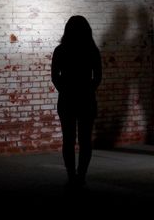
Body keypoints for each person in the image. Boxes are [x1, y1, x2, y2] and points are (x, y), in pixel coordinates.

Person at [51, 15, 102, 187]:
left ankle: (71, 175)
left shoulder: (60, 50)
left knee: (69, 139)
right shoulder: (92, 51)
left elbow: (54, 76)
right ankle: (81, 175)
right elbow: (98, 77)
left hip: (66, 100)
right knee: (85, 140)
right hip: (86, 99)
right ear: (88, 31)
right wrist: (88, 90)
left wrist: (64, 90)